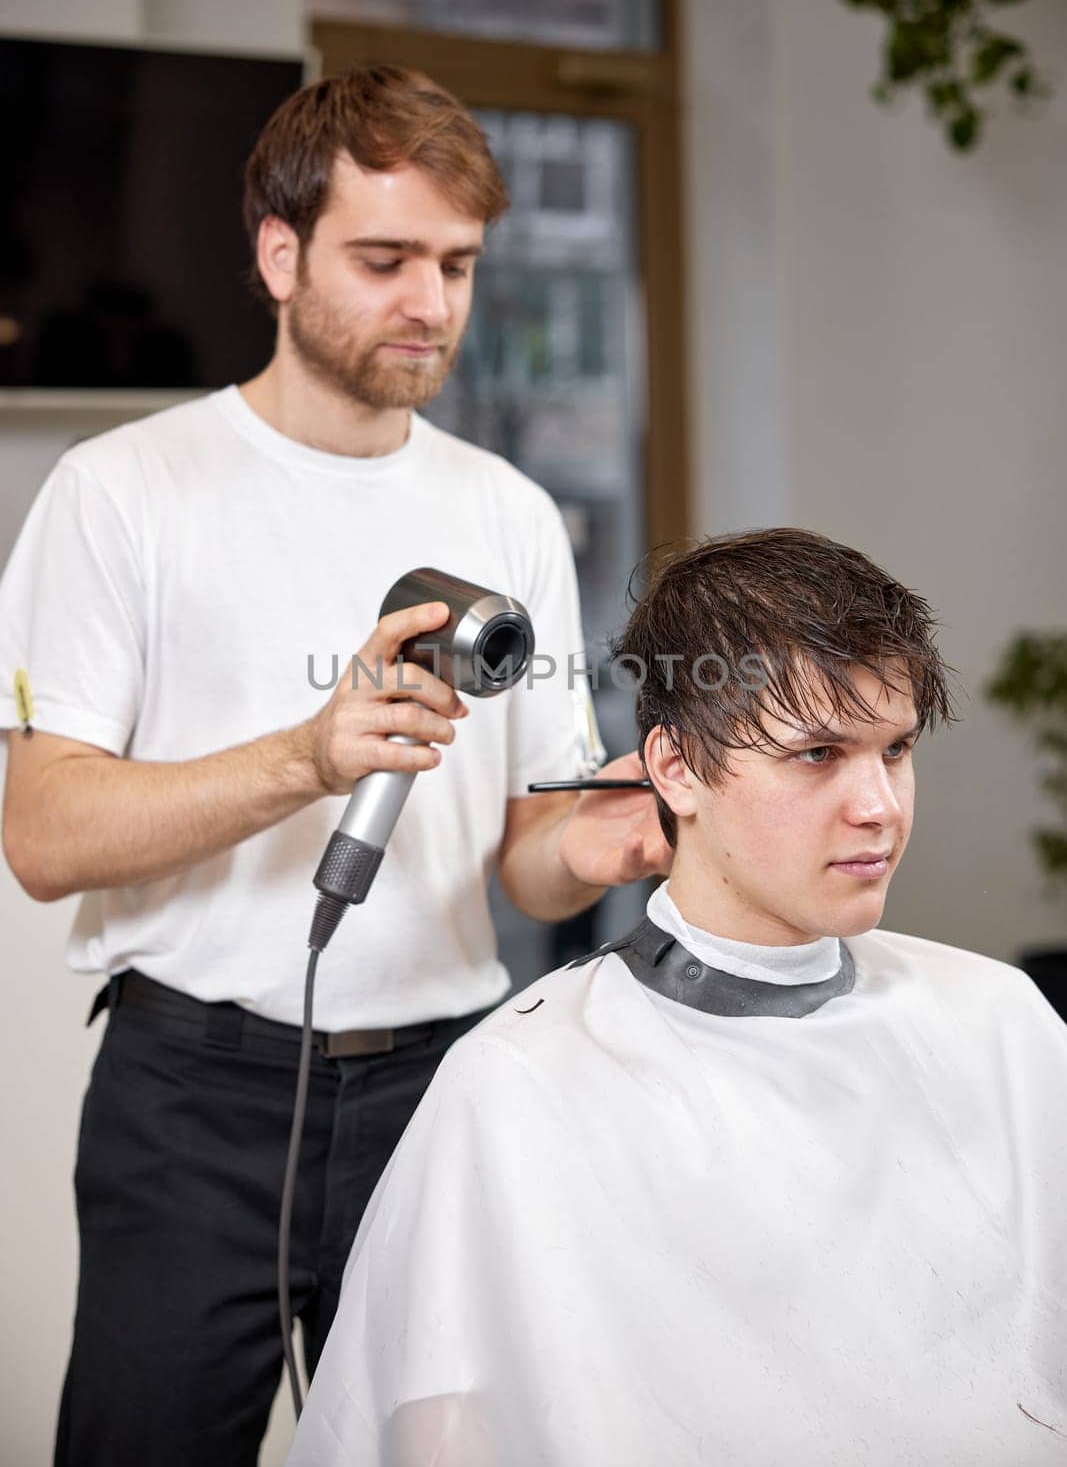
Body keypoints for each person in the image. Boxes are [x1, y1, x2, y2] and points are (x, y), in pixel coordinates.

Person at [0, 65, 670, 1467]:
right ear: (277, 252)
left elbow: (527, 853)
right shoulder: (123, 494)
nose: (430, 303)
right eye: (385, 260)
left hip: (444, 1089)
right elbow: (43, 834)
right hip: (190, 1105)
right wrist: (305, 759)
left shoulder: (506, 509)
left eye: (457, 264)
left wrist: (609, 838)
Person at [288, 528, 1067, 1467]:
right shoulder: (523, 1083)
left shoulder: (995, 1018)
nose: (881, 806)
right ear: (675, 770)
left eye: (895, 749)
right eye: (817, 754)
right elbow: (439, 1434)